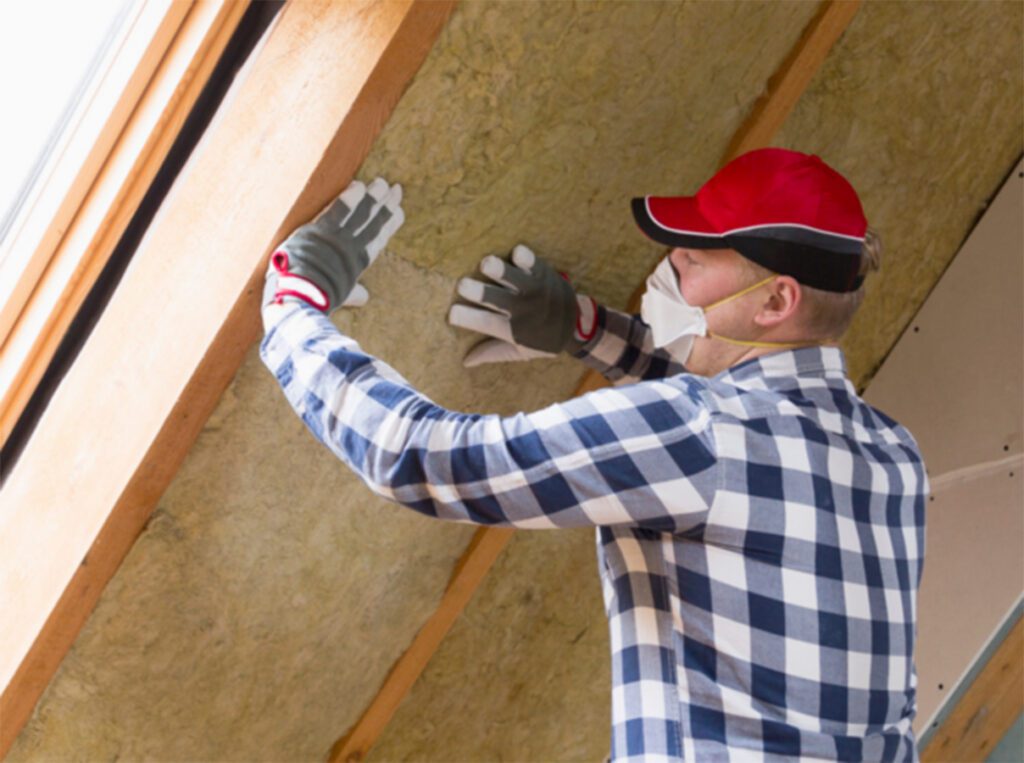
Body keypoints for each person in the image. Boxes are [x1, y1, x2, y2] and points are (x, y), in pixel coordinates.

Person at [260, 148, 927, 762]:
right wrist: (587, 332)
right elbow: (729, 433)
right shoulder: (895, 458)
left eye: (692, 261)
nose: (667, 270)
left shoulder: (700, 434)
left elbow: (430, 458)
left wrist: (293, 309)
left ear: (776, 300)